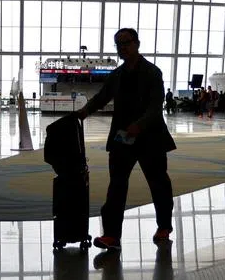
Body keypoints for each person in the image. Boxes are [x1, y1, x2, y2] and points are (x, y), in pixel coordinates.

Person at [75, 28, 175, 251]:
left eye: (126, 43)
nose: (122, 48)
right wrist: (83, 112)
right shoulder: (117, 76)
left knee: (158, 183)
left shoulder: (152, 73)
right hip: (123, 139)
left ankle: (164, 226)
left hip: (150, 137)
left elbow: (155, 108)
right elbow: (102, 98)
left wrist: (139, 125)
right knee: (117, 185)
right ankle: (111, 235)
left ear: (137, 43)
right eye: (118, 44)